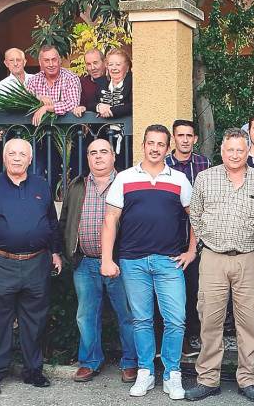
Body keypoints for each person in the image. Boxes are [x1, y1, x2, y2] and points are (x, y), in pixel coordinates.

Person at [0, 138, 62, 396]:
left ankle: (33, 371)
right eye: (11, 153)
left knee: (35, 322)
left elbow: (51, 223)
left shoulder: (41, 185)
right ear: (4, 158)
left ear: (30, 159)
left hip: (37, 264)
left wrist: (56, 252)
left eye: (22, 154)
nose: (17, 158)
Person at [101, 125, 196, 399]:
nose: (155, 148)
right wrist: (107, 259)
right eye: (150, 143)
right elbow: (110, 220)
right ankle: (145, 371)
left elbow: (195, 217)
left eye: (161, 144)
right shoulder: (124, 178)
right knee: (141, 320)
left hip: (169, 262)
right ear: (143, 145)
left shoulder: (179, 179)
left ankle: (172, 374)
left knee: (176, 320)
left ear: (168, 148)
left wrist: (191, 251)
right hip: (132, 262)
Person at [185, 128, 254, 402]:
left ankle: (248, 379)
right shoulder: (205, 178)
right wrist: (206, 241)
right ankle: (208, 379)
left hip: (249, 258)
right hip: (213, 258)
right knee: (209, 320)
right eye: (230, 149)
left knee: (249, 322)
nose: (235, 155)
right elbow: (195, 215)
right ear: (221, 151)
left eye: (240, 150)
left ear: (248, 152)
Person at [58, 138, 137, 383]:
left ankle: (131, 362)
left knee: (127, 314)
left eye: (104, 152)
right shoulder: (77, 185)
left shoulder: (126, 183)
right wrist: (66, 252)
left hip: (118, 263)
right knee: (86, 315)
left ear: (114, 156)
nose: (98, 157)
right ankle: (90, 361)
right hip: (85, 263)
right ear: (88, 158)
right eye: (93, 153)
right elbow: (65, 220)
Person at [165, 119, 212, 357]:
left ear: (195, 138)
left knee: (196, 291)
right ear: (174, 138)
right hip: (170, 238)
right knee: (172, 294)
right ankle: (176, 340)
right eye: (180, 135)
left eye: (189, 136)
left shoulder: (204, 163)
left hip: (199, 240)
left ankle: (194, 336)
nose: (185, 139)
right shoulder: (163, 164)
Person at [26, 45, 81, 126]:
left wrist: (47, 108)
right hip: (38, 131)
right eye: (46, 61)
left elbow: (73, 104)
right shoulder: (33, 80)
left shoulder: (71, 78)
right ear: (40, 63)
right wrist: (39, 98)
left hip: (66, 132)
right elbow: (26, 103)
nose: (51, 64)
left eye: (54, 60)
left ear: (59, 61)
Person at [86, 48, 132, 118]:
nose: (114, 68)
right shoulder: (101, 82)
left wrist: (112, 110)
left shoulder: (133, 83)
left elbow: (134, 106)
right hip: (103, 128)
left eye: (118, 64)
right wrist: (99, 107)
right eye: (110, 64)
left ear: (127, 67)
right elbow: (90, 104)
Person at [74, 48, 106, 116]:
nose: (92, 68)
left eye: (95, 63)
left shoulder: (113, 80)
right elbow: (82, 103)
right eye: (88, 64)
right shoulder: (83, 82)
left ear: (104, 62)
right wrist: (81, 107)